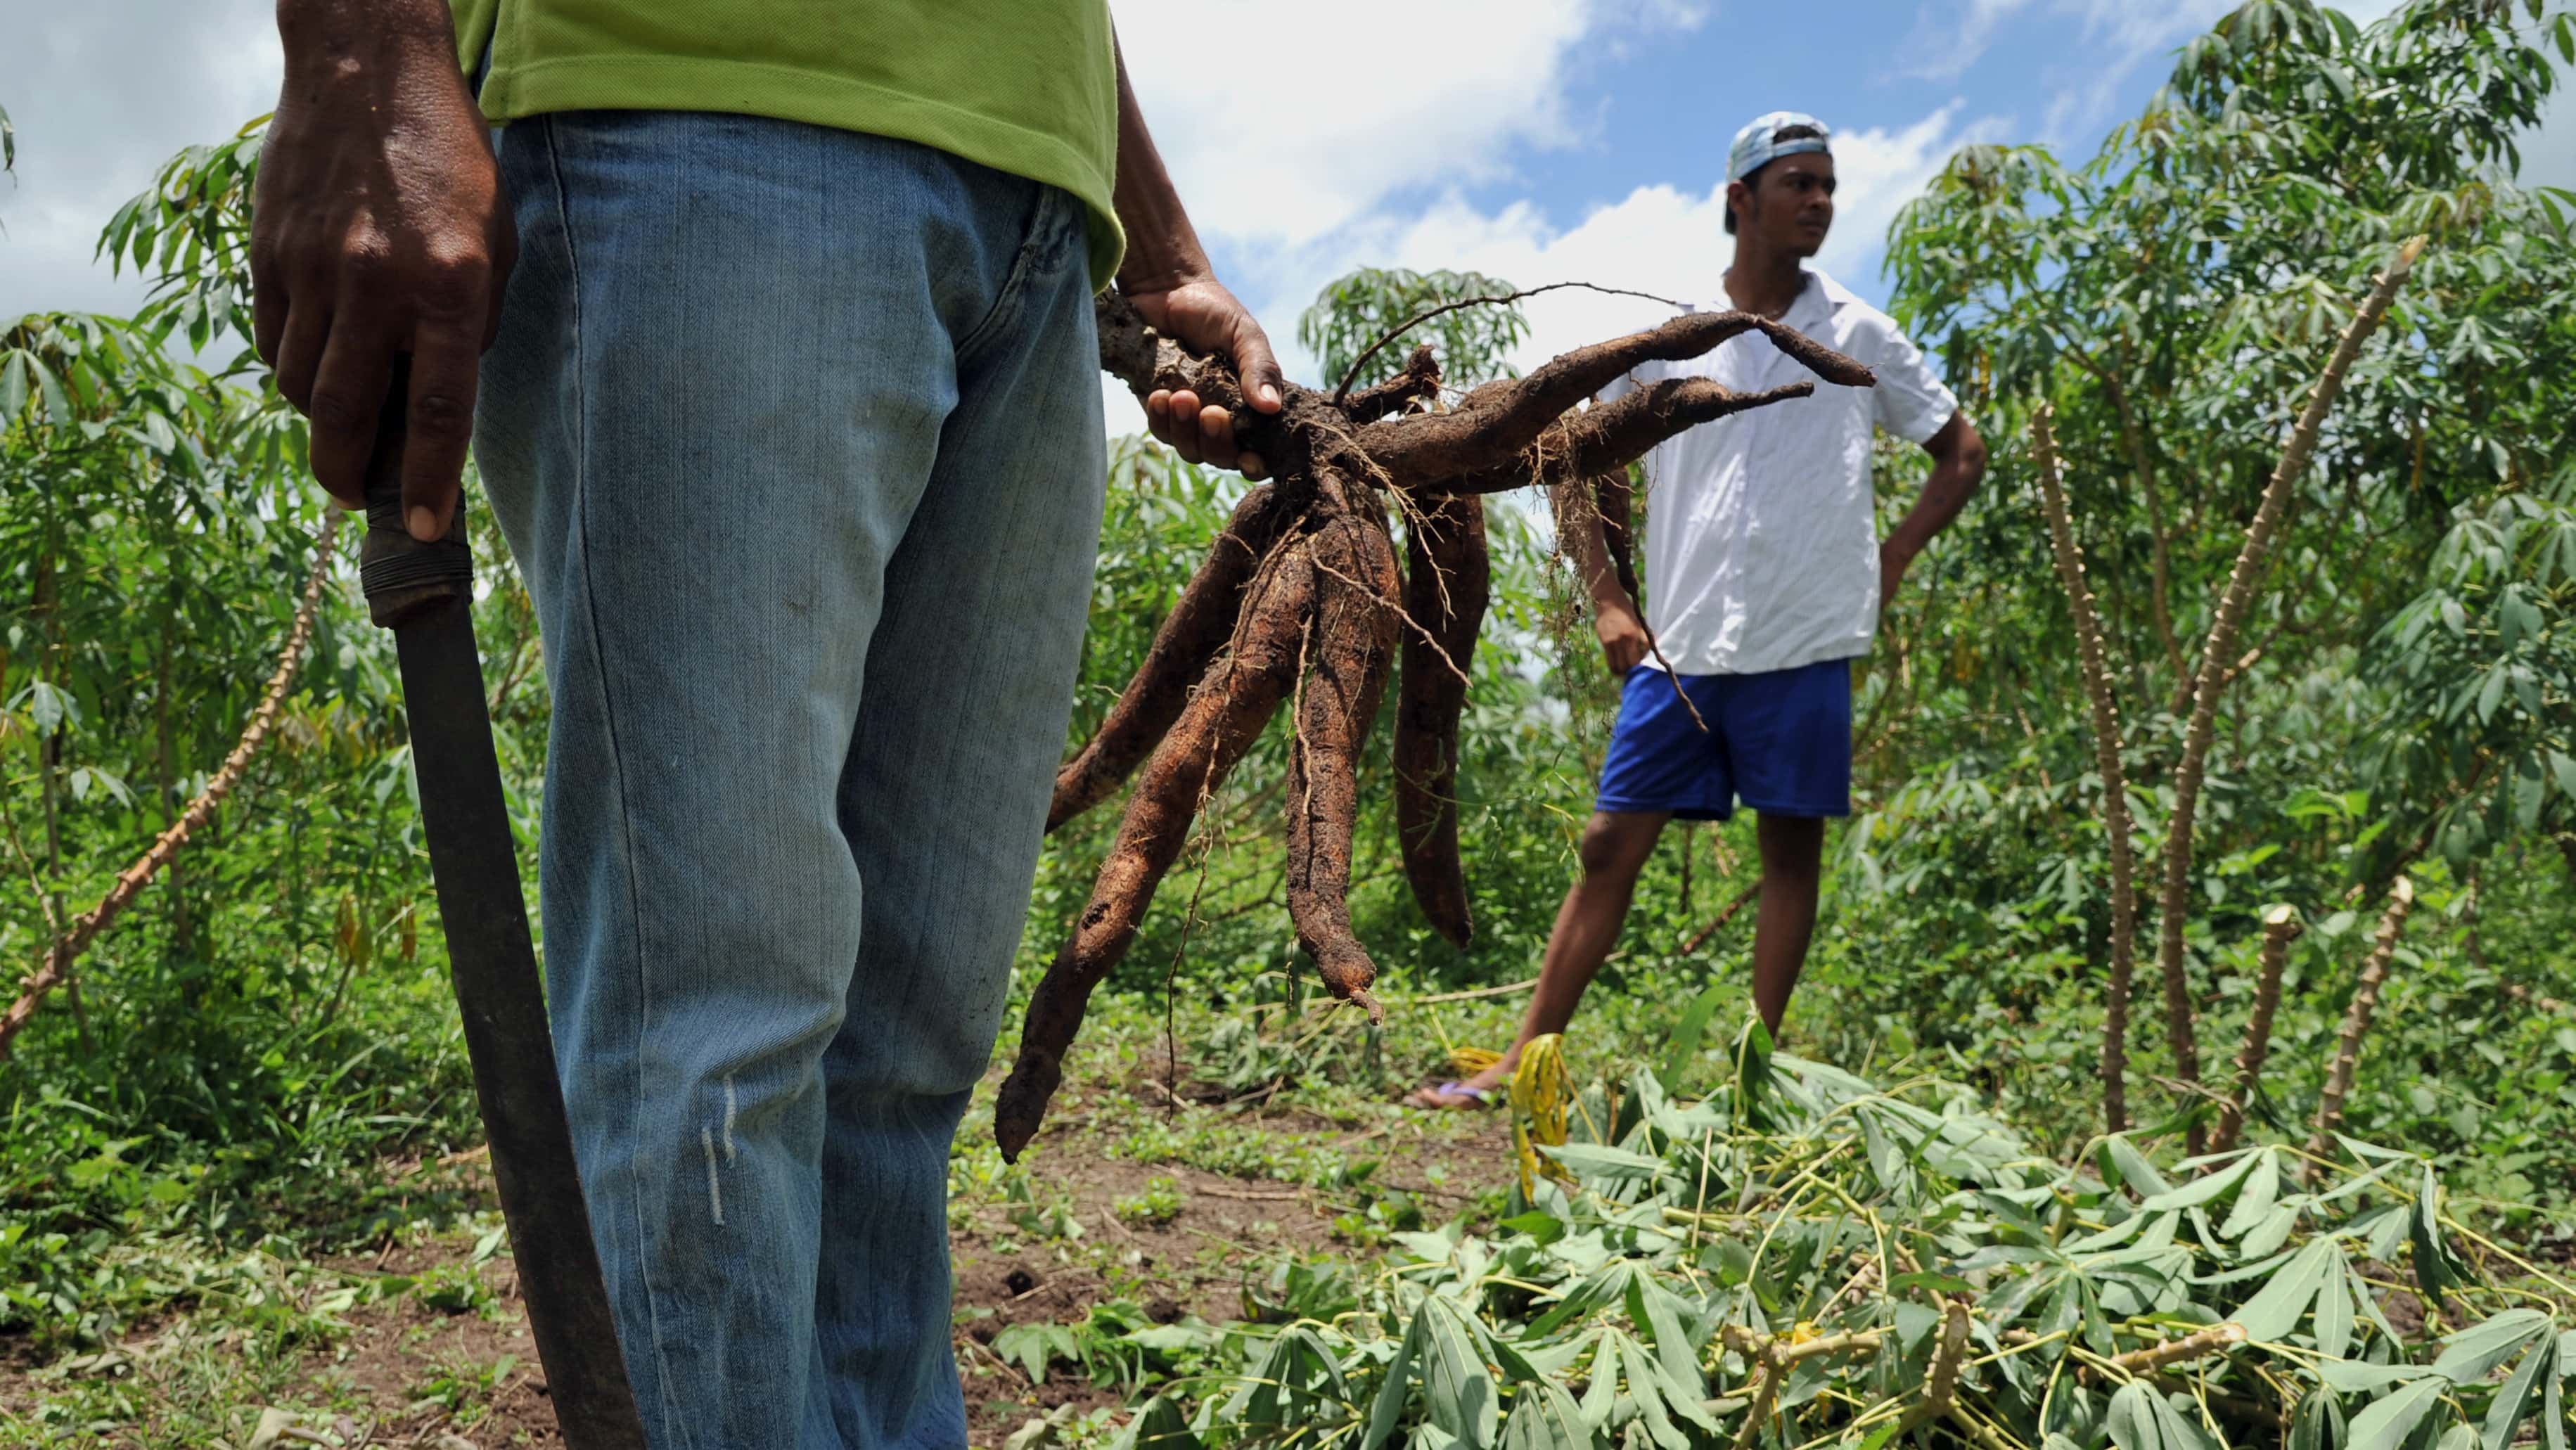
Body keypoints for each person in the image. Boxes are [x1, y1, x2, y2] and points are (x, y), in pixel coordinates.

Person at [250, 1, 1274, 1443]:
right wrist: (362, 59)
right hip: (693, 106)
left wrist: (1156, 249)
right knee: (717, 1039)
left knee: (908, 1044)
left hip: (1038, 216)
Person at [1411, 112, 1987, 1110]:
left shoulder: (1857, 332)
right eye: (1798, 183)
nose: (1820, 201)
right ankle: (1522, 1063)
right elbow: (1571, 457)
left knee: (1789, 851)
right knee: (1607, 847)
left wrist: (1887, 564)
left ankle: (1752, 1084)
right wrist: (1607, 598)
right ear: (1740, 199)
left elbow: (1961, 452)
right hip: (1680, 646)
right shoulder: (1674, 336)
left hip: (1804, 636)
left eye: (1828, 185)